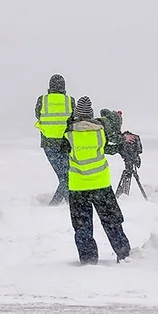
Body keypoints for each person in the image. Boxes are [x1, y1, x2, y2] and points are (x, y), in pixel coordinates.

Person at [62, 96, 131, 265]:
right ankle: (124, 254)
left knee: (82, 225)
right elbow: (111, 148)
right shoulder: (100, 132)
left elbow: (63, 149)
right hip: (101, 185)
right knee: (111, 221)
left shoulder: (68, 135)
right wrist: (123, 140)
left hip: (78, 187)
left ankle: (88, 260)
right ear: (91, 114)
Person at [35, 74, 76, 205]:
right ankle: (56, 204)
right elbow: (74, 118)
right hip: (65, 144)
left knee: (64, 177)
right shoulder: (70, 100)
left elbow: (38, 115)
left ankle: (67, 202)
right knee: (66, 177)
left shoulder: (42, 100)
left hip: (49, 144)